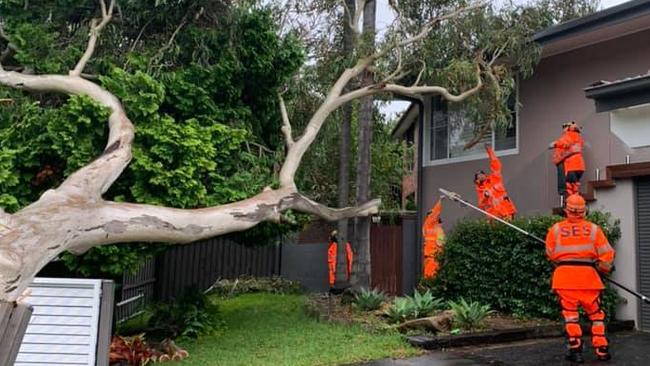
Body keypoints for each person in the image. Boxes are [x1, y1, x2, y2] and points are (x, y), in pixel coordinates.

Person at [545, 194, 615, 363]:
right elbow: (607, 254)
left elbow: (550, 254)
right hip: (589, 279)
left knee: (570, 316)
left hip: (565, 279)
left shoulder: (555, 229)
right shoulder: (593, 229)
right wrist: (603, 268)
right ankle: (602, 349)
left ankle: (575, 350)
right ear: (584, 211)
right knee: (596, 315)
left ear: (566, 210)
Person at [474, 144, 517, 220]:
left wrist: (490, 151)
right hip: (494, 216)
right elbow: (481, 205)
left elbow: (496, 164)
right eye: (478, 175)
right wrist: (485, 196)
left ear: (485, 175)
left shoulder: (495, 178)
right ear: (477, 179)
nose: (481, 176)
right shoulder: (480, 189)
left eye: (482, 174)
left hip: (507, 211)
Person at [550, 121, 585, 199]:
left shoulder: (569, 135)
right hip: (580, 166)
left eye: (565, 126)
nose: (563, 128)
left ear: (569, 128)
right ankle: (577, 202)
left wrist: (554, 144)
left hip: (571, 166)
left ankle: (571, 204)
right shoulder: (579, 138)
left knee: (569, 187)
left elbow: (564, 142)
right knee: (575, 186)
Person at [422, 199, 445, 279]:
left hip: (436, 257)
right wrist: (440, 201)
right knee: (430, 277)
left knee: (433, 277)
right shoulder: (428, 226)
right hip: (432, 256)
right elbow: (440, 243)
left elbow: (441, 242)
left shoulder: (437, 229)